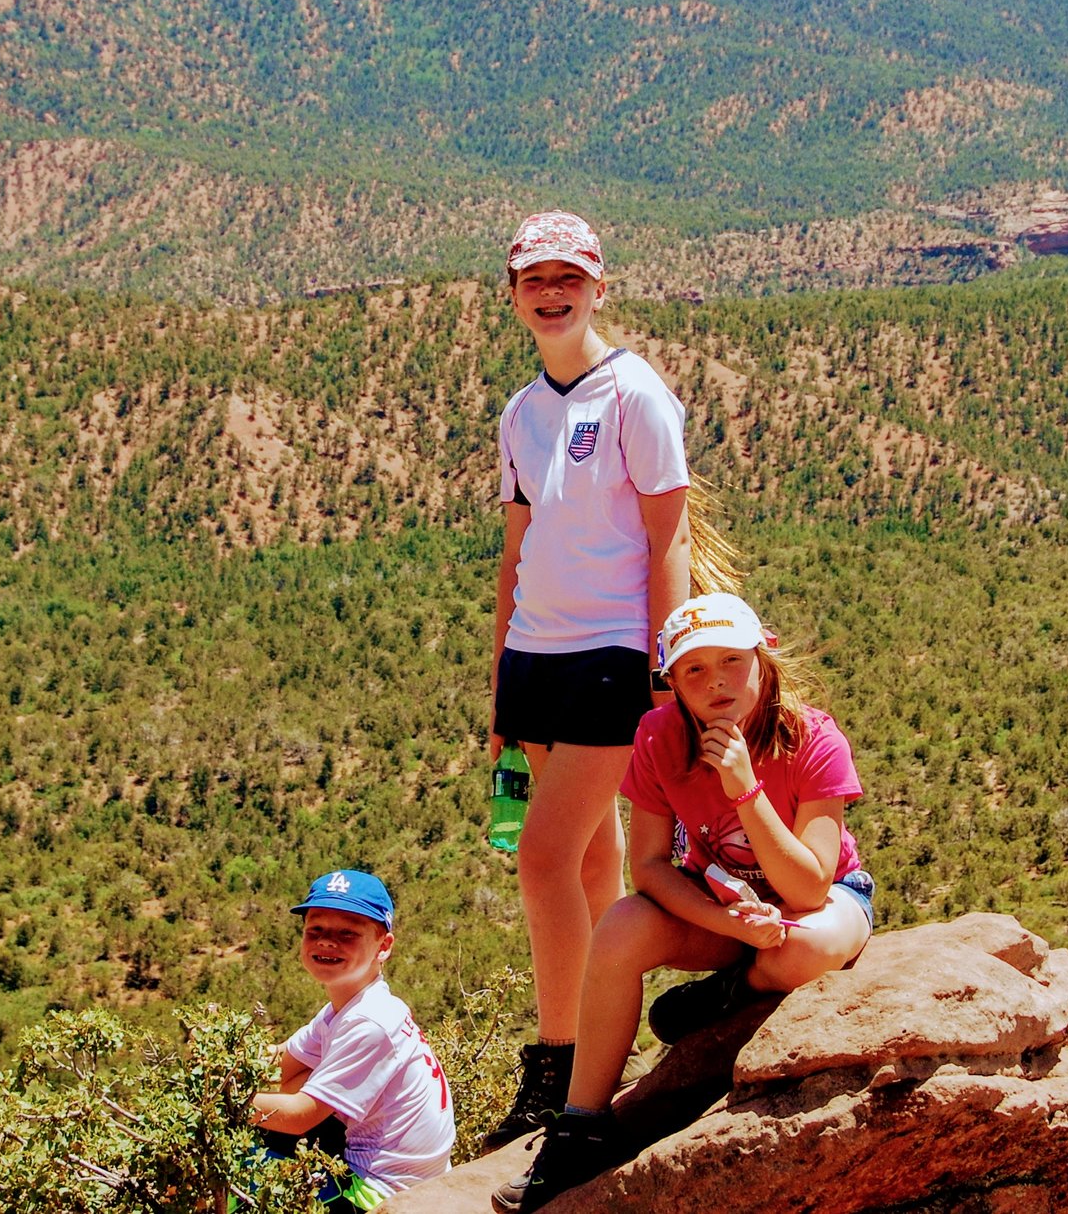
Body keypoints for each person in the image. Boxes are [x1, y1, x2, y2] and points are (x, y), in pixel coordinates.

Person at [496, 592, 876, 1211]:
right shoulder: (658, 737)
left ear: (764, 658)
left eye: (731, 660)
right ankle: (580, 1126)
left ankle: (725, 993)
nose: (716, 681)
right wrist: (728, 920)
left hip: (819, 902)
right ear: (670, 680)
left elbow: (810, 886)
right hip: (723, 908)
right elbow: (646, 866)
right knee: (620, 925)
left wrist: (743, 786)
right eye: (693, 669)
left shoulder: (813, 738)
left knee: (807, 947)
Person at [482, 210, 696, 1148]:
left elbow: (669, 535)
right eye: (534, 280)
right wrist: (498, 687)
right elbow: (515, 551)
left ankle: (561, 1065)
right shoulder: (521, 415)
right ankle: (609, 1041)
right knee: (589, 858)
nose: (552, 292)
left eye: (568, 277)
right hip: (535, 655)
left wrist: (668, 667)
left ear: (600, 287)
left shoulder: (635, 395)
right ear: (514, 296)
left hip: (613, 656)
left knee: (542, 858)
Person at [252, 870, 454, 1207]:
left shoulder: (371, 1022)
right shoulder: (351, 1007)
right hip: (403, 1170)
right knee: (298, 1080)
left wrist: (216, 1104)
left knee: (234, 1169)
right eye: (315, 930)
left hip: (381, 1191)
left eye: (348, 933)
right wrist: (221, 1063)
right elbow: (282, 1063)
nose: (327, 941)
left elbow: (301, 1114)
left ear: (384, 946)